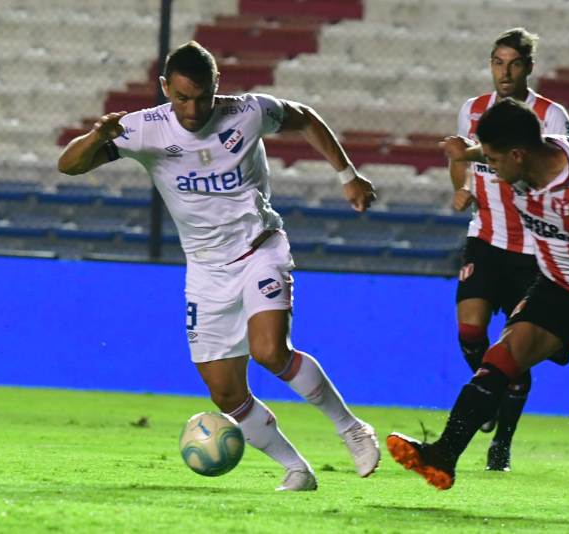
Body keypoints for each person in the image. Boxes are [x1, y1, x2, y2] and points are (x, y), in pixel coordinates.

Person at [58, 41, 380, 491]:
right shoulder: (144, 128)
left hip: (259, 249)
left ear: (216, 88)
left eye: (203, 97)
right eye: (182, 98)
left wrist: (348, 175)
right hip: (206, 271)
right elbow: (68, 165)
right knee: (226, 393)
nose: (192, 109)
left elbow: (304, 116)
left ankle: (351, 429)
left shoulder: (248, 112)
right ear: (165, 88)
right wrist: (99, 136)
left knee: (270, 351)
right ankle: (297, 470)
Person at [387, 98, 569, 490]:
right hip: (559, 288)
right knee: (501, 358)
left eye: (492, 159)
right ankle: (444, 455)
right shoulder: (521, 161)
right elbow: (488, 152)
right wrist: (464, 152)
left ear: (518, 154)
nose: (487, 168)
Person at [448, 28, 569, 471]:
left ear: (529, 68)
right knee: (470, 332)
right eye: (497, 63)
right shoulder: (472, 109)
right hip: (485, 237)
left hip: (533, 250)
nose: (505, 72)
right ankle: (488, 393)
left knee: (514, 343)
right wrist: (461, 188)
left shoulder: (551, 116)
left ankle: (501, 443)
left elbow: (559, 168)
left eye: (514, 63)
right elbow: (460, 159)